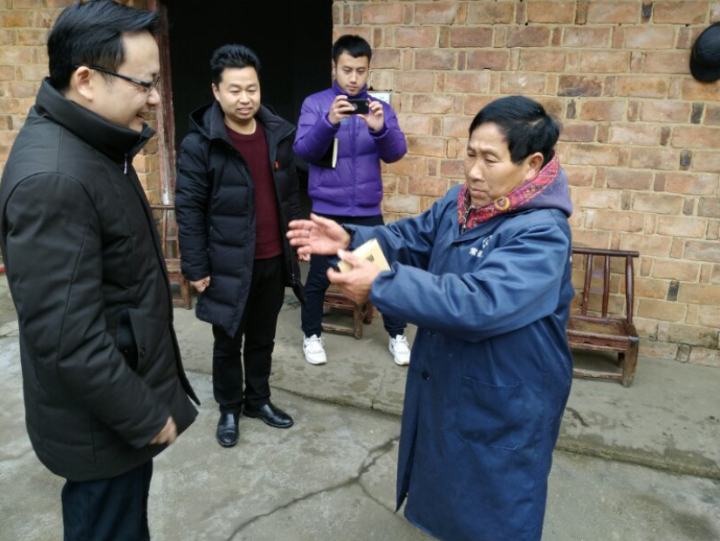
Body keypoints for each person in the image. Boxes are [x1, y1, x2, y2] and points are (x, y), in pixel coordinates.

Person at [288, 96, 574, 541]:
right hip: (454, 379)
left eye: (490, 160)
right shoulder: (461, 204)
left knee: (496, 510)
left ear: (532, 164)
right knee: (450, 494)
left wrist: (382, 285)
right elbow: (409, 239)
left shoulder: (542, 232)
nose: (474, 171)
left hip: (506, 393)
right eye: (470, 154)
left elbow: (481, 301)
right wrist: (351, 237)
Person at [0, 1, 199, 539]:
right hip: (99, 427)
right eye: (145, 83)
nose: (155, 98)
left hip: (114, 411)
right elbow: (67, 339)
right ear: (86, 80)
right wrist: (143, 414)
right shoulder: (54, 180)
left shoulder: (95, 145)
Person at [175, 44, 304, 448]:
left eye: (252, 89)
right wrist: (195, 267)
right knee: (228, 340)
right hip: (227, 262)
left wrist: (296, 240)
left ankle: (257, 400)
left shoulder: (276, 134)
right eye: (234, 90)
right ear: (216, 91)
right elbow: (189, 208)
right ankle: (229, 407)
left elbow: (289, 194)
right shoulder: (201, 143)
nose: (245, 98)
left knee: (263, 337)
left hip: (272, 258)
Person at [293, 34, 411, 366]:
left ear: (369, 69)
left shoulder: (378, 108)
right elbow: (304, 151)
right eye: (347, 70)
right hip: (327, 211)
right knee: (318, 279)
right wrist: (329, 121)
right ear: (334, 67)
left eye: (361, 70)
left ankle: (397, 335)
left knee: (381, 275)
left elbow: (396, 153)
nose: (354, 78)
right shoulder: (316, 104)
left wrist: (379, 128)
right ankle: (312, 335)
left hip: (367, 211)